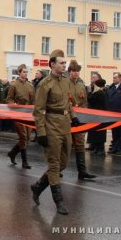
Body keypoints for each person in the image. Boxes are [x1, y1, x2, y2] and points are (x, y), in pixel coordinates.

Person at [30, 49, 79, 215]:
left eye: (65, 63)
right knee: (54, 164)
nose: (64, 66)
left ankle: (37, 187)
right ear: (52, 64)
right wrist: (41, 132)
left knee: (63, 163)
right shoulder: (45, 84)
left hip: (65, 126)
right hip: (51, 126)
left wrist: (73, 116)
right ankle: (58, 202)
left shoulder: (66, 82)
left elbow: (68, 103)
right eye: (61, 63)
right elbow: (38, 111)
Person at [67, 60, 97, 180]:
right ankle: (56, 170)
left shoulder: (81, 86)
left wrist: (83, 116)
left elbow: (84, 103)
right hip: (67, 118)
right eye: (74, 71)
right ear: (69, 72)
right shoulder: (64, 84)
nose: (76, 73)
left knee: (80, 144)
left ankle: (82, 171)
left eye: (78, 71)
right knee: (65, 145)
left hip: (79, 119)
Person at [5, 64, 34, 168]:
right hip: (18, 114)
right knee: (23, 136)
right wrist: (14, 104)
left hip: (28, 114)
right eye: (24, 72)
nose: (25, 74)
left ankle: (12, 153)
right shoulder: (14, 85)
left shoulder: (30, 85)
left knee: (28, 138)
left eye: (27, 72)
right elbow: (9, 99)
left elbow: (33, 101)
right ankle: (24, 162)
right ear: (19, 73)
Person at [87, 79, 108, 154]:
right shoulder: (103, 92)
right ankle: (97, 148)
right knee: (97, 132)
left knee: (99, 133)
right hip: (100, 115)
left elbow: (90, 99)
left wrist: (89, 92)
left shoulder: (99, 93)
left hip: (99, 115)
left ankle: (100, 149)